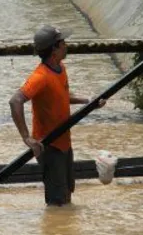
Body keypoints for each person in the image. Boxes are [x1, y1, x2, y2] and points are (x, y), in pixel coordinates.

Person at [9, 25, 106, 206]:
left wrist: (89, 101)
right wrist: (27, 138)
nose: (66, 45)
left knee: (67, 193)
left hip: (64, 142)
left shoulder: (60, 68)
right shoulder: (40, 77)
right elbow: (15, 101)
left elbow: (63, 96)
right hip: (49, 145)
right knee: (57, 202)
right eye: (63, 43)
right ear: (54, 49)